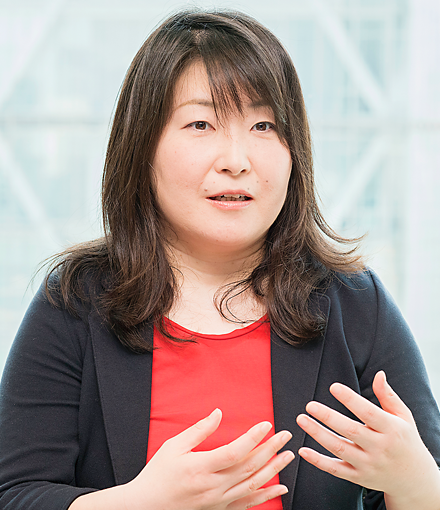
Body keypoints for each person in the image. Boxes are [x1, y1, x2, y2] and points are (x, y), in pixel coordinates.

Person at [1, 8, 440, 510]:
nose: (236, 160)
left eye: (263, 125)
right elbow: (16, 494)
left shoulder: (355, 303)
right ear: (142, 146)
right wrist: (140, 503)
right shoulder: (75, 301)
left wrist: (415, 482)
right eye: (201, 123)